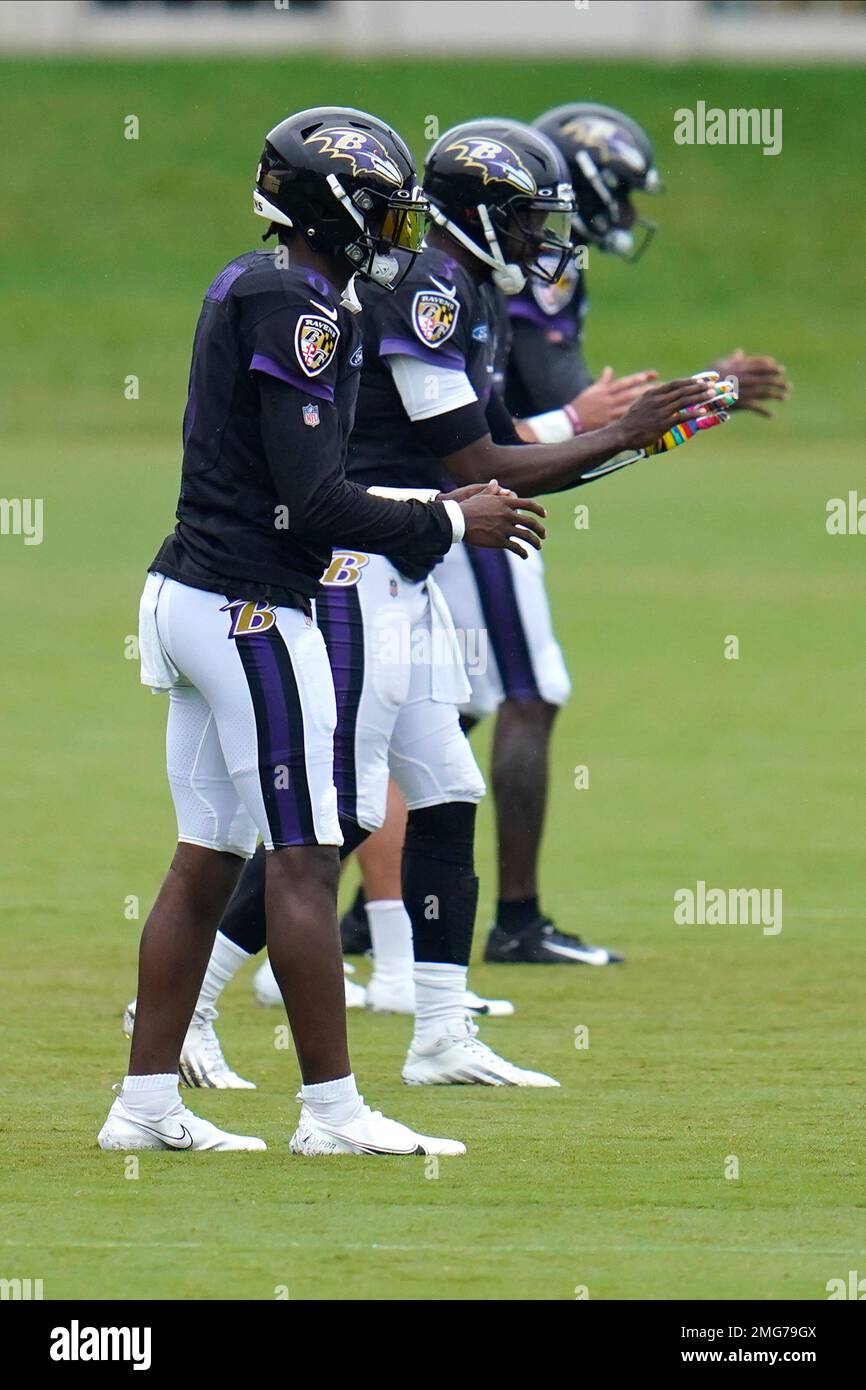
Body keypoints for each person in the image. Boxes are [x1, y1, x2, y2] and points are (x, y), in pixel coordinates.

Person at [146, 119, 721, 1089]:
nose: (547, 241)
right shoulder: (422, 296)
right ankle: (189, 1018)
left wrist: (645, 433)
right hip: (352, 566)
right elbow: (484, 466)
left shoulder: (459, 295)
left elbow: (502, 451)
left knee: (444, 787)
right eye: (529, 221)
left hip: (401, 565)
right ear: (483, 216)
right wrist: (634, 436)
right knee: (334, 816)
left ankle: (441, 1034)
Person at [98, 106, 548, 1155]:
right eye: (383, 211)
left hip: (193, 594)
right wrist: (449, 515)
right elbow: (313, 498)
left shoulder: (266, 287)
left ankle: (144, 1106)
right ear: (333, 207)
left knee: (205, 857)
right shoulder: (299, 304)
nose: (398, 231)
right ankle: (332, 1112)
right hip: (251, 606)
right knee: (304, 857)